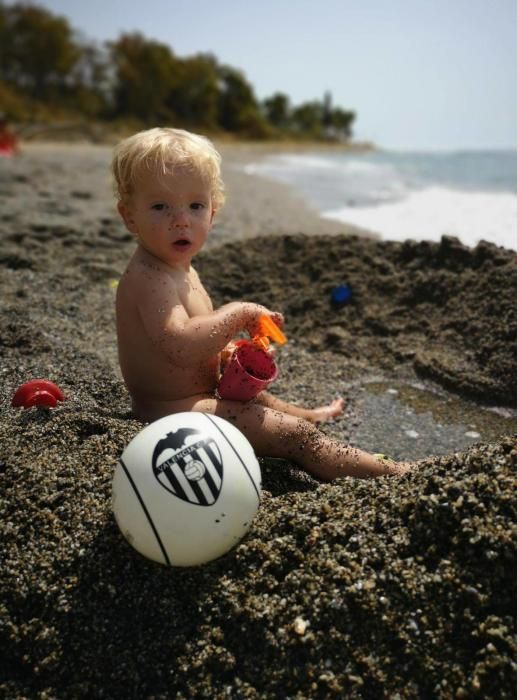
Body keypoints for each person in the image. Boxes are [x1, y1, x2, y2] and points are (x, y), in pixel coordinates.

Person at [112, 127, 410, 480]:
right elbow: (178, 345)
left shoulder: (180, 269)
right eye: (160, 206)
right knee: (294, 437)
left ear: (212, 213)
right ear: (129, 215)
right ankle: (395, 474)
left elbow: (184, 347)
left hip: (195, 398)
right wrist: (240, 312)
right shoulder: (150, 277)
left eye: (195, 205)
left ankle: (309, 414)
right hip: (169, 414)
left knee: (261, 402)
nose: (181, 219)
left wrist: (226, 354)